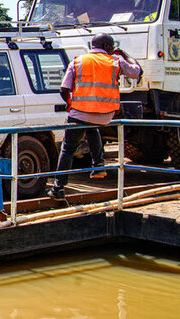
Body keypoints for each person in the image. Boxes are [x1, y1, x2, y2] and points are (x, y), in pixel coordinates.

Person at [47, 33, 141, 199]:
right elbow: (136, 73)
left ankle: (58, 188)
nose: (113, 49)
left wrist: (71, 105)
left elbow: (63, 89)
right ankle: (98, 165)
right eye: (112, 46)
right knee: (92, 128)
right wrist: (124, 54)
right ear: (106, 46)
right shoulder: (116, 61)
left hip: (80, 113)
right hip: (106, 115)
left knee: (68, 148)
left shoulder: (77, 61)